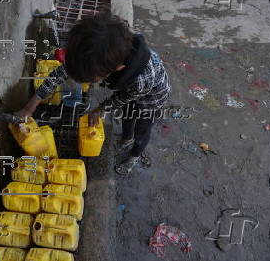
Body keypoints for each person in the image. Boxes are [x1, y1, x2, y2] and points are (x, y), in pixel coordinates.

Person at [16, 11, 171, 174]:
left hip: (151, 98)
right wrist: (31, 105)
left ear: (117, 69)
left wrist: (100, 109)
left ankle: (135, 154)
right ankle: (126, 138)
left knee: (141, 126)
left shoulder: (141, 80)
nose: (87, 82)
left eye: (92, 80)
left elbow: (122, 98)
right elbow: (59, 74)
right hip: (130, 88)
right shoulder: (94, 54)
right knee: (127, 116)